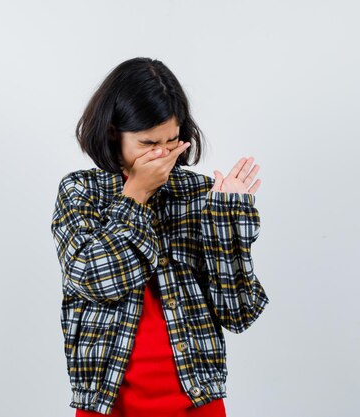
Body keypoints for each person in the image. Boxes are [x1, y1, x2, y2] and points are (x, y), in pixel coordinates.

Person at [50, 57, 269, 417]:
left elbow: (238, 313)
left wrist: (227, 218)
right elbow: (92, 278)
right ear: (112, 133)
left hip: (196, 400)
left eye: (172, 141)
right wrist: (135, 196)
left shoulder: (198, 195)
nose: (163, 155)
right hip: (108, 403)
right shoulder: (81, 192)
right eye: (148, 143)